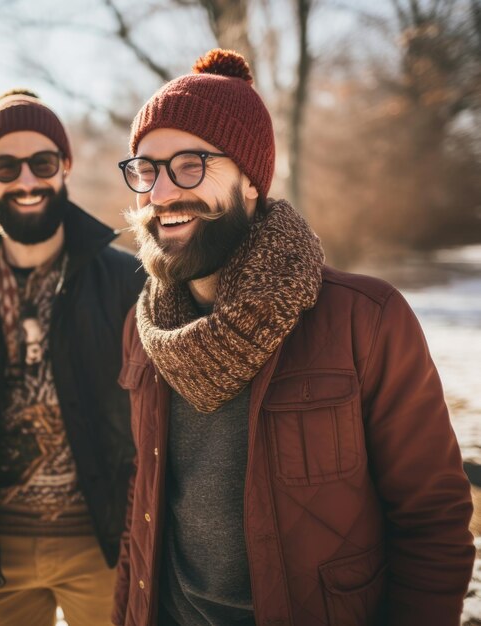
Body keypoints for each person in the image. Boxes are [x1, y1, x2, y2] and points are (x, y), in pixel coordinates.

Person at [112, 49, 475, 626]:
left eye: (189, 165)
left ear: (251, 181)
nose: (158, 194)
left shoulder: (365, 318)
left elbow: (432, 521)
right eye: (147, 169)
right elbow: (145, 501)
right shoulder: (145, 329)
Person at [0, 89, 145, 626]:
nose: (25, 181)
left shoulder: (124, 279)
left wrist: (142, 521)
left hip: (106, 545)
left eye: (41, 162)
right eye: (5, 165)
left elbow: (154, 409)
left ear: (64, 167)